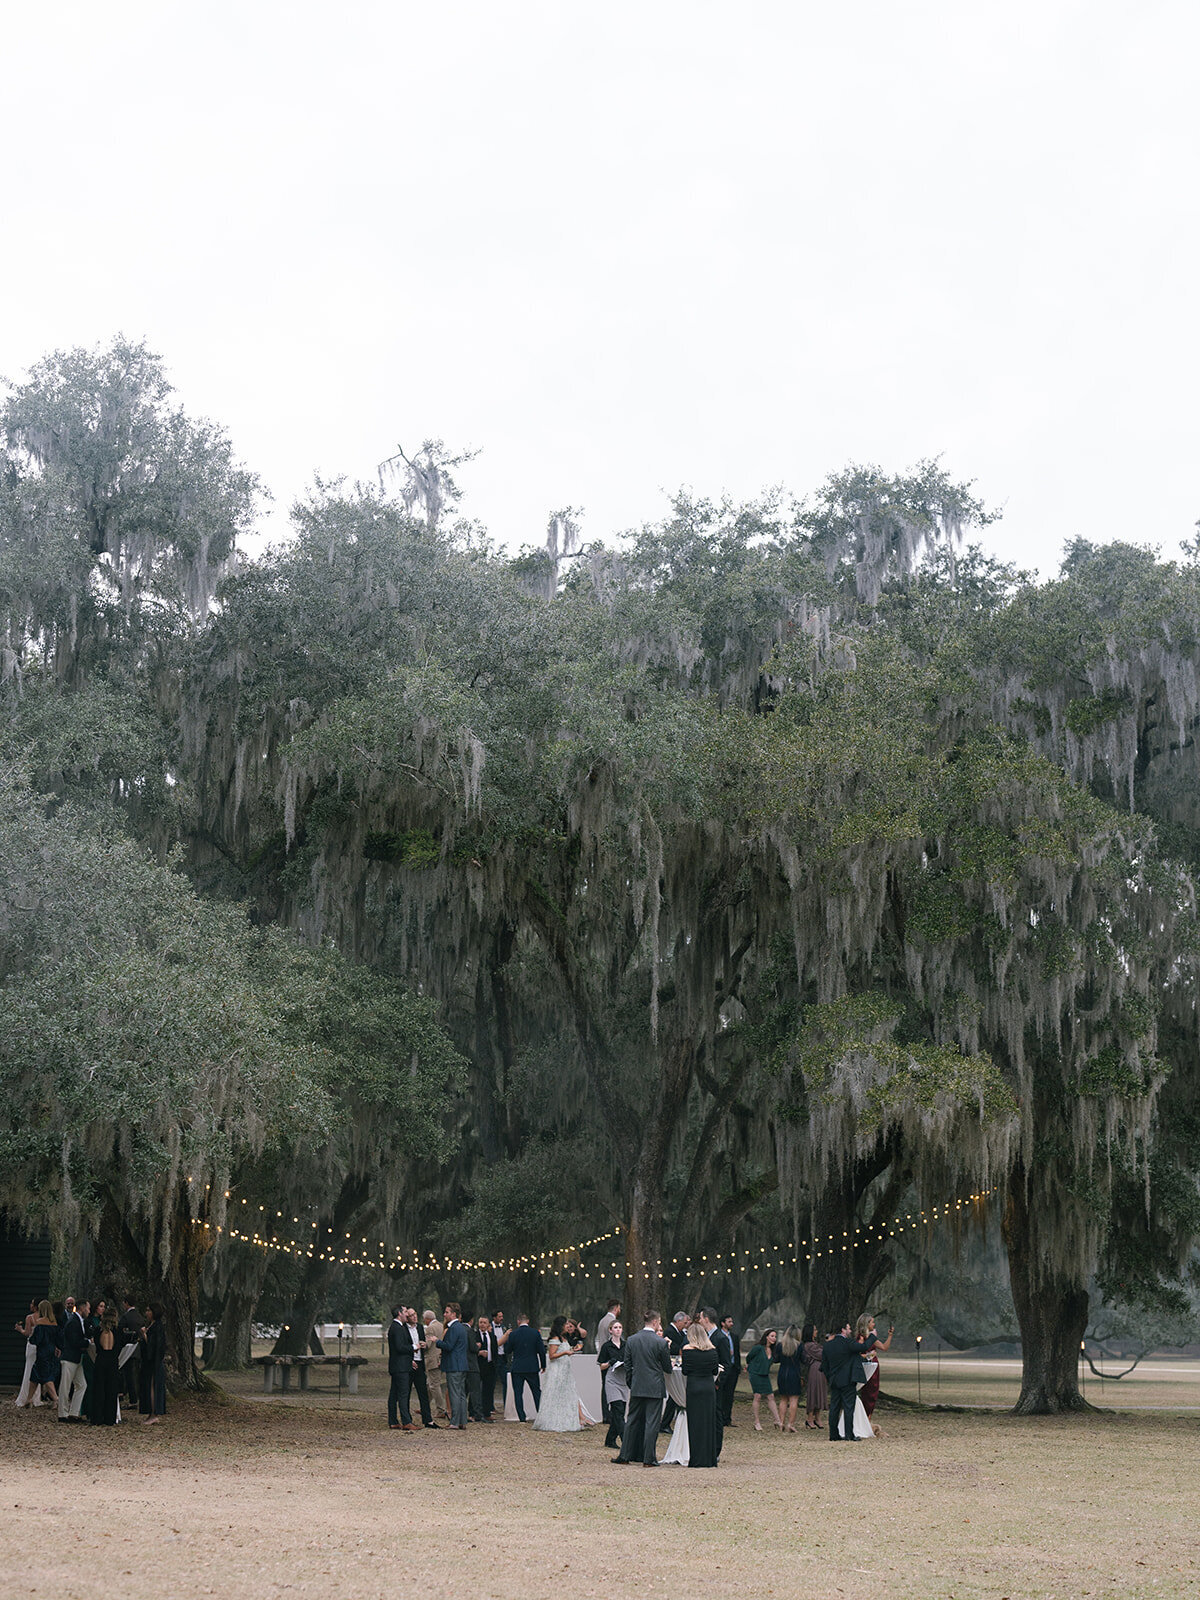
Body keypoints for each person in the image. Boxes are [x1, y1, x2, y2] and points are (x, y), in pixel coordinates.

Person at [613, 1310, 672, 1467]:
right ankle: (648, 1458)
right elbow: (667, 1367)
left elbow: (628, 1364)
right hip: (654, 1386)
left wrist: (631, 1382)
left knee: (631, 1420)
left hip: (638, 1385)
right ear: (654, 1322)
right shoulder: (660, 1343)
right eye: (659, 1322)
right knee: (652, 1423)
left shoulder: (632, 1340)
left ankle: (625, 1455)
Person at [820, 1319, 880, 1442]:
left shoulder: (827, 1346)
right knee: (848, 1407)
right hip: (848, 1380)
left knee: (834, 1408)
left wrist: (830, 1377)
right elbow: (863, 1346)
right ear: (843, 1330)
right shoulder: (847, 1343)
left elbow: (824, 1366)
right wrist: (872, 1336)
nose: (850, 1330)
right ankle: (849, 1434)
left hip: (834, 1380)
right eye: (848, 1328)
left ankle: (833, 1435)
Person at [533, 1315, 595, 1431]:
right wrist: (565, 1352)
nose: (568, 1326)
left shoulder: (564, 1338)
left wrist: (572, 1350)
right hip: (557, 1370)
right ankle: (553, 1420)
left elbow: (582, 1335)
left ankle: (576, 1418)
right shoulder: (555, 1339)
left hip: (565, 1369)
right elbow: (552, 1356)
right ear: (561, 1325)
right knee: (556, 1394)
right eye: (566, 1324)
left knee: (568, 1393)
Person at [681, 1321, 720, 1468]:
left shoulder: (687, 1350)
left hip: (694, 1388)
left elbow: (685, 1371)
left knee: (695, 1424)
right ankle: (709, 1458)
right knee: (708, 1423)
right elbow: (715, 1372)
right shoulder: (712, 1351)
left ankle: (696, 1458)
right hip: (708, 1388)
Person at [854, 1312, 894, 1434]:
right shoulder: (860, 1338)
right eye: (872, 1322)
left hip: (874, 1367)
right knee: (867, 1393)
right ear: (866, 1323)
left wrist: (890, 1336)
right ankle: (864, 1420)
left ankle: (869, 1418)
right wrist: (868, 1355)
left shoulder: (872, 1338)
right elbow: (858, 1353)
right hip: (865, 1367)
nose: (874, 1324)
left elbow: (884, 1347)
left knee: (873, 1392)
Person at [505, 1313, 547, 1421]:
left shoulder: (513, 1334)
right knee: (536, 1391)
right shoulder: (535, 1333)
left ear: (518, 1321)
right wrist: (543, 1365)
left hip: (517, 1367)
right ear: (527, 1321)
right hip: (531, 1366)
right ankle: (541, 1414)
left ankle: (522, 1417)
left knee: (518, 1393)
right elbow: (541, 1351)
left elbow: (507, 1350)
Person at [400, 1306, 436, 1428]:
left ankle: (428, 1420)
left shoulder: (420, 1327)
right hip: (408, 1363)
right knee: (406, 1392)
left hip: (420, 1363)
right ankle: (407, 1420)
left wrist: (424, 1345)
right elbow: (402, 1347)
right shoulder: (403, 1329)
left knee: (423, 1393)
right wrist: (409, 1360)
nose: (414, 1317)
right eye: (411, 1315)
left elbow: (422, 1344)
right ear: (406, 1317)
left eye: (415, 1314)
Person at [436, 1304, 469, 1428]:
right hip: (461, 1365)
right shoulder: (460, 1327)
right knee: (461, 1394)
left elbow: (449, 1346)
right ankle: (462, 1421)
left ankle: (454, 1422)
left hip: (454, 1365)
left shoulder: (454, 1328)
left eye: (447, 1312)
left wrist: (437, 1341)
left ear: (454, 1314)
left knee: (455, 1394)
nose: (444, 1315)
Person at [58, 1297, 90, 1421]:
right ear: (82, 1308)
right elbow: (74, 1341)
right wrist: (87, 1342)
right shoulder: (73, 1321)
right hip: (70, 1357)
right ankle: (62, 1413)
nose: (88, 1311)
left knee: (82, 1384)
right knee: (65, 1386)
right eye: (87, 1308)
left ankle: (74, 1412)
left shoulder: (78, 1320)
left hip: (76, 1358)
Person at [597, 1318, 628, 1448]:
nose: (618, 1330)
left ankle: (610, 1440)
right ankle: (626, 1441)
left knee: (620, 1412)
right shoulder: (606, 1346)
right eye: (615, 1327)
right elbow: (601, 1366)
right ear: (610, 1330)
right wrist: (610, 1362)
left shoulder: (626, 1345)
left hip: (623, 1379)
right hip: (611, 1380)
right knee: (617, 1409)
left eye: (620, 1327)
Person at [746, 1329, 783, 1431]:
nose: (774, 1338)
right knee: (757, 1396)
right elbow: (749, 1357)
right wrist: (749, 1366)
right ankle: (757, 1422)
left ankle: (777, 1420)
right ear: (766, 1336)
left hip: (764, 1375)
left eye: (775, 1336)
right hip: (755, 1374)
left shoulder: (773, 1350)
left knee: (770, 1396)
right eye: (772, 1336)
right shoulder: (758, 1348)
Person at [90, 1309, 121, 1425]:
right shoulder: (117, 1330)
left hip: (101, 1359)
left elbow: (96, 1345)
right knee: (111, 1389)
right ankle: (110, 1418)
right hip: (112, 1360)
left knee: (99, 1388)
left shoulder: (98, 1330)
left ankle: (97, 1417)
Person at [138, 1303, 167, 1422]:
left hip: (153, 1362)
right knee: (148, 1386)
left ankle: (154, 1413)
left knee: (152, 1386)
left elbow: (155, 1346)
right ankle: (150, 1412)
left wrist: (145, 1336)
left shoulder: (158, 1327)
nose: (147, 1313)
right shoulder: (152, 1325)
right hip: (148, 1362)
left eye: (149, 1311)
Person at [29, 1300, 60, 1410]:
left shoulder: (40, 1323)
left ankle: (56, 1399)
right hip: (51, 1350)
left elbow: (36, 1339)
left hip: (42, 1351)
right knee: (34, 1375)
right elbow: (57, 1338)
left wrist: (31, 1337)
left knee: (46, 1376)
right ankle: (29, 1399)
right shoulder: (54, 1323)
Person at [595, 1300, 620, 1425]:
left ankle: (606, 1413)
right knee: (609, 1386)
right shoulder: (610, 1321)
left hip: (604, 1356)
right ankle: (608, 1414)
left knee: (605, 1386)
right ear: (616, 1308)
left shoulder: (602, 1320)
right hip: (609, 1357)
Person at [774, 1324, 804, 1433]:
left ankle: (781, 1422)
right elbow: (804, 1360)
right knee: (793, 1399)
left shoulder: (780, 1345)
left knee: (783, 1399)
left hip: (782, 1373)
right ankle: (790, 1424)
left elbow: (776, 1359)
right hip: (794, 1374)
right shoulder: (799, 1346)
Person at [117, 1297, 144, 1410]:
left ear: (126, 1303)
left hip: (128, 1349)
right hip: (138, 1349)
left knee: (128, 1375)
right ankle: (134, 1396)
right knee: (135, 1374)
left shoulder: (125, 1317)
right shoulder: (140, 1317)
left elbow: (120, 1332)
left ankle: (131, 1399)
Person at [386, 1306, 410, 1430]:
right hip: (400, 1367)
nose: (407, 1314)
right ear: (400, 1313)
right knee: (403, 1394)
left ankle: (393, 1420)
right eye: (405, 1312)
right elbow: (400, 1347)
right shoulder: (397, 1328)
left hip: (397, 1366)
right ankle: (406, 1421)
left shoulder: (397, 1327)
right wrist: (414, 1347)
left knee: (394, 1394)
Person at [14, 1298, 39, 1408]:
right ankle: (36, 1397)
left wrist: (20, 1329)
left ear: (35, 1306)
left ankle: (26, 1396)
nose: (30, 1305)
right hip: (41, 1347)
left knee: (28, 1369)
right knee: (37, 1369)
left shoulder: (30, 1317)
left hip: (32, 1346)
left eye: (32, 1303)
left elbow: (28, 1333)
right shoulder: (45, 1318)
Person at [802, 1323, 827, 1430]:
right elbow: (823, 1355)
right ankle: (810, 1418)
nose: (816, 1331)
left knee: (820, 1392)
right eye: (815, 1330)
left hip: (821, 1370)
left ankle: (817, 1417)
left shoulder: (814, 1344)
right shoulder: (809, 1345)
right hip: (815, 1370)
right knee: (814, 1393)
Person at [718, 1314, 741, 1425]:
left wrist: (738, 1367)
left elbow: (737, 1353)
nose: (731, 1324)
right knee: (721, 1393)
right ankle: (720, 1417)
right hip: (722, 1368)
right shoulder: (718, 1336)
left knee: (729, 1394)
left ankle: (727, 1418)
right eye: (729, 1321)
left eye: (732, 1321)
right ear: (723, 1323)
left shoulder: (734, 1337)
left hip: (733, 1369)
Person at [423, 1311, 446, 1420]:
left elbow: (427, 1345)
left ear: (427, 1319)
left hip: (432, 1360)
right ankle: (425, 1406)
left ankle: (440, 1409)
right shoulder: (442, 1326)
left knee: (434, 1385)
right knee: (430, 1384)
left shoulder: (429, 1328)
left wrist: (419, 1344)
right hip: (441, 1359)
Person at [476, 1316, 498, 1420]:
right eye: (480, 1322)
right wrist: (479, 1352)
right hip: (478, 1365)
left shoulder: (492, 1336)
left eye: (484, 1322)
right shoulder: (474, 1335)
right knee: (476, 1389)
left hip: (490, 1366)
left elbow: (495, 1351)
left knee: (488, 1390)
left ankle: (487, 1412)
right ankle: (474, 1413)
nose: (482, 1324)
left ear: (488, 1324)